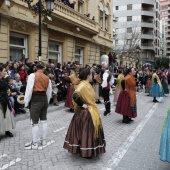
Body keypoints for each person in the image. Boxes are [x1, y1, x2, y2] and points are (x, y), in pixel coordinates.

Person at [63, 68, 106, 158]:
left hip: (90, 111)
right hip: (86, 113)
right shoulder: (83, 85)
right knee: (86, 132)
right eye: (91, 75)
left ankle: (87, 149)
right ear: (88, 76)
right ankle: (87, 151)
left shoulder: (86, 84)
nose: (92, 76)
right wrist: (82, 104)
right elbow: (75, 95)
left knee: (86, 132)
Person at [24, 61, 52, 150]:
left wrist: (26, 103)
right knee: (44, 120)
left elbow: (29, 90)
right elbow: (49, 92)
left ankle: (35, 143)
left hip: (36, 100)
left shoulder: (32, 75)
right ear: (44, 68)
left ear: (36, 68)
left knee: (34, 123)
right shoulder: (47, 78)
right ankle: (43, 141)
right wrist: (47, 102)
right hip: (44, 99)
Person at [0, 65, 15, 137]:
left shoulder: (3, 79)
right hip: (0, 100)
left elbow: (6, 89)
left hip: (5, 99)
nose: (5, 72)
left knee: (8, 115)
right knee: (1, 117)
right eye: (4, 71)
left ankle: (7, 130)